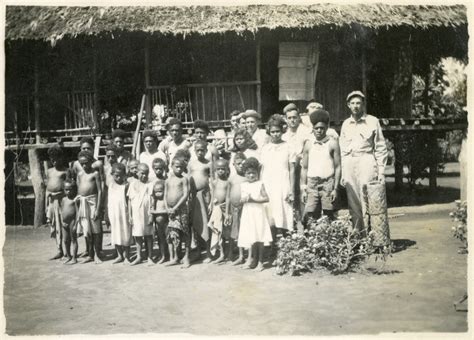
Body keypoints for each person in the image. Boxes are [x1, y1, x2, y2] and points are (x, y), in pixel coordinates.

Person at [339, 91, 388, 231]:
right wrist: (343, 172)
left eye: (358, 103)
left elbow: (380, 147)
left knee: (367, 198)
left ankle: (371, 234)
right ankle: (358, 235)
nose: (355, 106)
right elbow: (342, 150)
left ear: (363, 104)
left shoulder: (373, 121)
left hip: (366, 160)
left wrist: (381, 171)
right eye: (353, 103)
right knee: (352, 200)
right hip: (349, 162)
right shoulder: (345, 124)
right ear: (348, 105)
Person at [300, 109, 341, 224]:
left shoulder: (332, 143)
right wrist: (303, 189)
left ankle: (330, 240)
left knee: (329, 214)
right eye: (316, 128)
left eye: (322, 128)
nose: (319, 131)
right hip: (312, 183)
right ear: (312, 128)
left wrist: (335, 189)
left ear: (327, 128)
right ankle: (311, 241)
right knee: (311, 215)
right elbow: (304, 168)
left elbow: (338, 167)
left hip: (328, 183)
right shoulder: (308, 144)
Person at [260, 115, 296, 238]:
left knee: (285, 211)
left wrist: (291, 189)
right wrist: (261, 187)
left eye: (278, 131)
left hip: (283, 183)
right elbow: (262, 169)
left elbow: (292, 169)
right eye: (273, 132)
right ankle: (272, 245)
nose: (275, 134)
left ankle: (287, 245)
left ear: (282, 131)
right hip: (269, 184)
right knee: (270, 213)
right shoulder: (265, 148)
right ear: (269, 132)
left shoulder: (288, 147)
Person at [238, 157, 272, 271]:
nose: (251, 175)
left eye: (253, 173)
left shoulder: (260, 184)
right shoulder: (243, 185)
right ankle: (253, 259)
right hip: (248, 214)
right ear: (244, 174)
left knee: (260, 236)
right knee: (251, 236)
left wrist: (253, 200)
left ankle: (261, 262)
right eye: (248, 173)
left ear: (257, 173)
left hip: (258, 213)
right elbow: (242, 199)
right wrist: (243, 200)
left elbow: (266, 198)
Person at [75, 150, 103, 264]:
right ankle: (90, 254)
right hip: (83, 202)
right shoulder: (80, 174)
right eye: (82, 163)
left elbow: (100, 191)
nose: (84, 165)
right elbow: (78, 188)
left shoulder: (95, 173)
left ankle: (97, 254)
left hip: (93, 201)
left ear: (91, 161)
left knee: (96, 230)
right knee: (86, 230)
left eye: (86, 163)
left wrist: (97, 208)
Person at [165, 157, 191, 268]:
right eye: (177, 166)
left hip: (181, 210)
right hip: (171, 211)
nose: (179, 169)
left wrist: (175, 207)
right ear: (171, 166)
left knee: (185, 232)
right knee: (173, 234)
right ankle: (175, 257)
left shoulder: (184, 180)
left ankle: (187, 257)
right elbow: (165, 195)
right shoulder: (168, 180)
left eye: (181, 167)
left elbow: (185, 195)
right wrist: (167, 208)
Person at [188, 140, 212, 259]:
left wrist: (211, 199)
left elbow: (212, 180)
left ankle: (208, 252)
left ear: (206, 151)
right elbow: (188, 179)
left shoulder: (208, 164)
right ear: (194, 150)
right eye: (197, 150)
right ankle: (198, 251)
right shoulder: (191, 164)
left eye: (202, 150)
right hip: (194, 196)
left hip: (205, 195)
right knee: (196, 224)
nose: (200, 152)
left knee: (206, 223)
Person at [128, 163, 154, 266]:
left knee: (148, 235)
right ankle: (139, 256)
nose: (144, 176)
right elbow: (130, 200)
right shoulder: (132, 184)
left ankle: (150, 257)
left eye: (146, 174)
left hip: (147, 213)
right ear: (137, 173)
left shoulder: (149, 184)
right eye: (142, 173)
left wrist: (151, 213)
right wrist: (130, 216)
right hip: (136, 213)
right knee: (138, 235)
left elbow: (152, 200)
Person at [45, 145, 69, 260]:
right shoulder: (49, 171)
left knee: (63, 225)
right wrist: (46, 203)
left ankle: (67, 251)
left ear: (61, 158)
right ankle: (59, 250)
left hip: (62, 200)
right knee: (54, 225)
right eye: (52, 159)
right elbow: (47, 188)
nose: (54, 161)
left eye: (56, 159)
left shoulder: (65, 171)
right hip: (51, 201)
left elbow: (69, 187)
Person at [208, 159, 231, 263]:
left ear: (227, 170)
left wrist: (226, 212)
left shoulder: (228, 182)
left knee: (227, 232)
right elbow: (213, 194)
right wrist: (210, 205)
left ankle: (229, 254)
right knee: (217, 231)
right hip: (216, 208)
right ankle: (221, 254)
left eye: (223, 169)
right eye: (218, 169)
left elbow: (228, 197)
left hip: (225, 208)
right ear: (215, 171)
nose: (221, 171)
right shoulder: (214, 182)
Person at [108, 163, 132, 264]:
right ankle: (119, 255)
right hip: (113, 213)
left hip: (123, 213)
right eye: (116, 175)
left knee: (125, 234)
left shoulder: (126, 186)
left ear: (124, 175)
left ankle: (127, 256)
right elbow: (108, 201)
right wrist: (107, 215)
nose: (118, 177)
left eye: (121, 175)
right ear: (112, 174)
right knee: (115, 234)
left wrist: (130, 215)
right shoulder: (111, 185)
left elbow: (128, 201)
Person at [228, 152, 247, 265]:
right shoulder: (232, 179)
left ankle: (243, 255)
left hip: (245, 208)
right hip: (233, 208)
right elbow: (227, 196)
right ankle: (232, 253)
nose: (240, 166)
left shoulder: (248, 178)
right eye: (238, 163)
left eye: (242, 164)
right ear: (233, 164)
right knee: (234, 231)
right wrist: (227, 212)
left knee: (244, 231)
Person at [150, 180, 169, 264]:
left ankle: (170, 255)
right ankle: (163, 255)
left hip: (166, 223)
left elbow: (167, 211)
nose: (158, 194)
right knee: (161, 240)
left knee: (168, 239)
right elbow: (151, 211)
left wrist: (157, 212)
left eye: (160, 192)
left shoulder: (165, 201)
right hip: (158, 224)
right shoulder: (155, 201)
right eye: (156, 192)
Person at [61, 179, 78, 264]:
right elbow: (62, 210)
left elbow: (78, 212)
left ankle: (74, 258)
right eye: (66, 189)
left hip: (72, 221)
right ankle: (68, 255)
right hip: (64, 223)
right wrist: (61, 221)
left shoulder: (75, 200)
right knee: (65, 240)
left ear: (74, 189)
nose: (68, 191)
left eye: (70, 189)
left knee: (73, 239)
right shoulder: (64, 199)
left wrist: (75, 224)